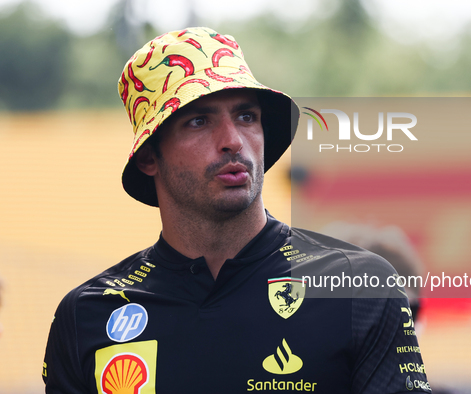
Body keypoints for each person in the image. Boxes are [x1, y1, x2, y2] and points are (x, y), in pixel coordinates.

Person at [43, 27, 430, 393]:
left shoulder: (360, 288)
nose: (232, 140)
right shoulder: (86, 315)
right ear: (148, 157)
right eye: (198, 121)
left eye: (247, 116)